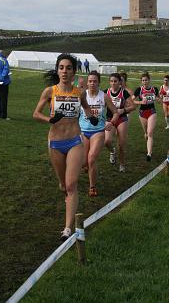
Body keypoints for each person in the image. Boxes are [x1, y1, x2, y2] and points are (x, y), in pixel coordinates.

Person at [32, 54, 103, 239]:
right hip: (55, 143)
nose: (64, 71)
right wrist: (49, 119)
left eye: (68, 68)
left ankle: (67, 228)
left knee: (71, 184)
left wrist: (91, 116)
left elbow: (86, 107)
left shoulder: (79, 92)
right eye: (61, 67)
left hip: (75, 141)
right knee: (63, 185)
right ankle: (65, 193)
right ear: (57, 70)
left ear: (74, 71)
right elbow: (36, 113)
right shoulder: (50, 92)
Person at [78, 71, 120, 196]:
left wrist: (112, 123)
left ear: (99, 83)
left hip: (98, 131)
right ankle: (87, 167)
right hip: (83, 131)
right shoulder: (81, 95)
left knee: (91, 159)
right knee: (84, 162)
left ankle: (92, 186)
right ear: (87, 82)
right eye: (90, 81)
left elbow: (116, 112)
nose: (92, 83)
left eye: (95, 81)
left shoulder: (104, 97)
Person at [104, 73, 135, 173]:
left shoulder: (124, 93)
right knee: (107, 141)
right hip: (110, 119)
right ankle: (112, 151)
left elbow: (133, 106)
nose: (113, 83)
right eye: (111, 81)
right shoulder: (106, 92)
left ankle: (122, 164)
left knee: (121, 144)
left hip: (121, 119)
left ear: (119, 82)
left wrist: (124, 110)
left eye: (115, 81)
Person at [134, 72, 159, 162]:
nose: (145, 82)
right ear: (141, 81)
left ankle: (149, 153)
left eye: (146, 80)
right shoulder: (139, 90)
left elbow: (160, 100)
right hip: (142, 113)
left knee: (150, 133)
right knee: (146, 133)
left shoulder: (154, 89)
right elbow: (132, 100)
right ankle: (147, 138)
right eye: (143, 80)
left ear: (149, 80)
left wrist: (157, 99)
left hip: (152, 112)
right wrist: (140, 102)